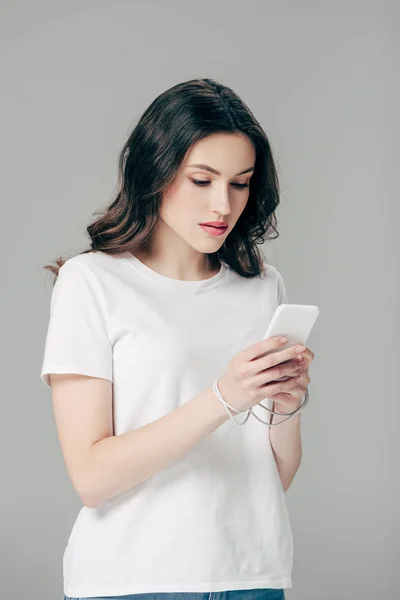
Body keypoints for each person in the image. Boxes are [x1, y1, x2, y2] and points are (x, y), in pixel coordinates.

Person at [40, 78, 314, 600]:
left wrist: (287, 405)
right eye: (201, 180)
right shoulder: (92, 281)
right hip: (133, 579)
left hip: (254, 575)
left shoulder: (262, 286)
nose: (223, 205)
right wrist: (223, 397)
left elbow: (273, 476)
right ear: (156, 172)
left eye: (240, 183)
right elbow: (91, 477)